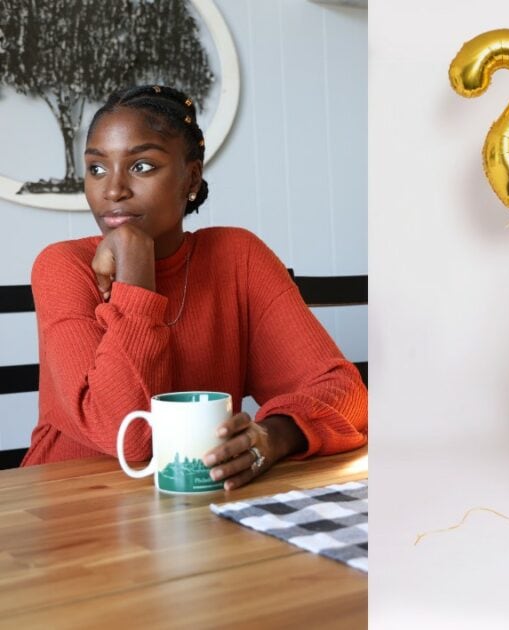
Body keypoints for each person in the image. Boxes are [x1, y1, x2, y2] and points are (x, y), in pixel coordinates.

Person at [23, 85, 368, 490]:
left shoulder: (238, 257)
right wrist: (136, 271)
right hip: (68, 511)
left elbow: (345, 391)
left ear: (191, 176)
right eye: (97, 168)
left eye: (142, 166)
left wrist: (273, 437)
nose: (113, 190)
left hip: (198, 506)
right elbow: (130, 439)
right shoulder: (62, 266)